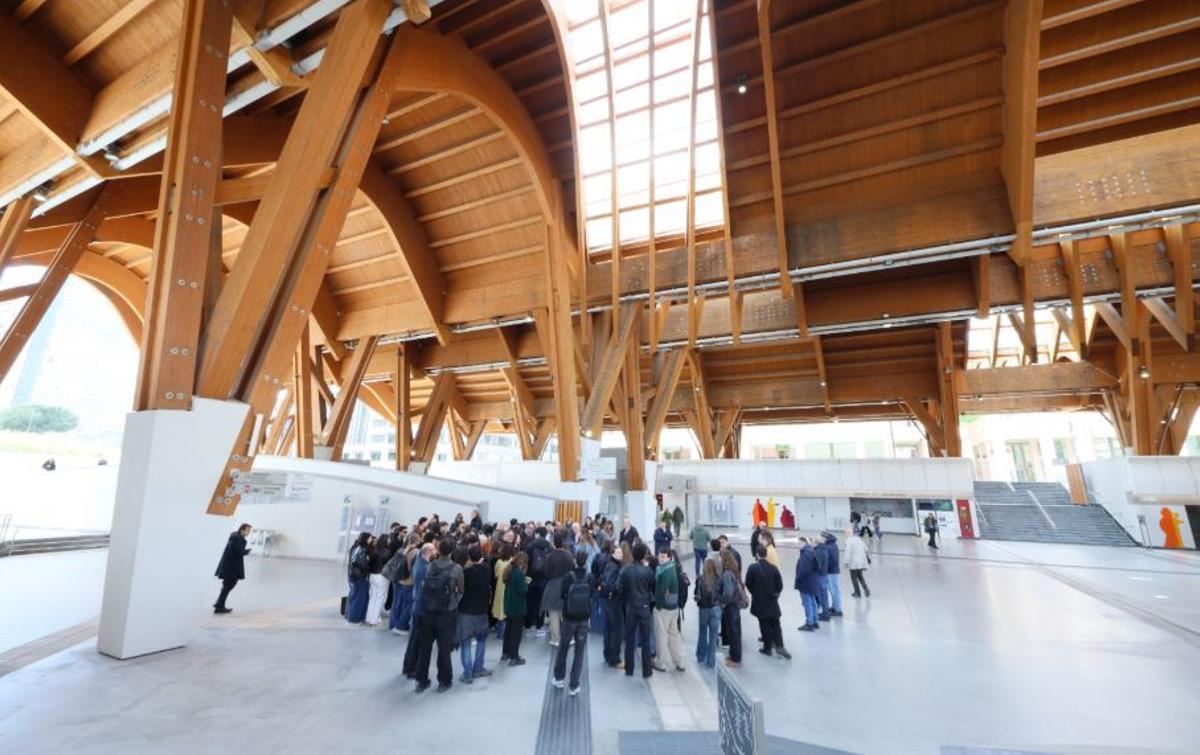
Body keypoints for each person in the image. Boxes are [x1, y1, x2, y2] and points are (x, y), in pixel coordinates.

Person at [415, 538, 464, 693]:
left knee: (425, 647)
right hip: (446, 613)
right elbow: (460, 591)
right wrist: (452, 603)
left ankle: (421, 680)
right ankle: (444, 680)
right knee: (444, 648)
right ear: (451, 551)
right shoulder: (456, 568)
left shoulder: (431, 565)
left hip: (428, 611)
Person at [552, 551, 595, 695]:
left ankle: (559, 678)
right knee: (580, 651)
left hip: (569, 618)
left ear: (575, 561)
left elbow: (562, 594)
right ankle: (574, 684)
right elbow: (592, 594)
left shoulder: (568, 577)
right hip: (584, 618)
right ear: (586, 562)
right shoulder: (590, 577)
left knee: (563, 647)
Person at [744, 546, 790, 659]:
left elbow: (748, 583)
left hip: (759, 601)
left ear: (757, 555)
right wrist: (775, 594)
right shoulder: (774, 568)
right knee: (776, 623)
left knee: (764, 624)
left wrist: (755, 592)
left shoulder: (752, 568)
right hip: (772, 601)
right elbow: (780, 585)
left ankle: (767, 648)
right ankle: (780, 645)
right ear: (766, 554)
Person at [458, 545, 492, 684]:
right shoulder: (486, 570)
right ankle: (478, 668)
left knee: (465, 642)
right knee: (481, 640)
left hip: (466, 611)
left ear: (469, 558)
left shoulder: (465, 572)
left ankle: (467, 674)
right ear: (481, 557)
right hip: (482, 610)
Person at [621, 542, 655, 678]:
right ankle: (647, 671)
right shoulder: (647, 571)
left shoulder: (626, 570)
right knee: (645, 640)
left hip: (630, 607)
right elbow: (652, 586)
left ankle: (629, 669)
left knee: (630, 639)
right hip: (644, 606)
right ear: (643, 555)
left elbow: (622, 587)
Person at [402, 543, 435, 678]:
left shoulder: (419, 562)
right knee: (418, 641)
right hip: (421, 609)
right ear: (428, 552)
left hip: (417, 606)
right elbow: (424, 591)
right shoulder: (424, 569)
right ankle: (412, 670)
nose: (436, 552)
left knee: (413, 640)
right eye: (434, 550)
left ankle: (408, 667)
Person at [652, 548, 686, 672]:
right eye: (659, 556)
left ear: (669, 557)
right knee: (674, 635)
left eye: (663, 557)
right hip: (674, 608)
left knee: (661, 635)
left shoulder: (665, 571)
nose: (660, 559)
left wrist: (657, 606)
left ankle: (661, 662)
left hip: (664, 609)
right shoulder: (672, 568)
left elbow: (661, 591)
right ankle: (679, 662)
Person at [543, 534, 574, 647]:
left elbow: (546, 572)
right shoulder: (568, 555)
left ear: (554, 543)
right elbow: (572, 570)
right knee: (565, 613)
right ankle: (568, 637)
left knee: (553, 613)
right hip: (566, 585)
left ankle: (555, 639)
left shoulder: (549, 556)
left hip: (552, 585)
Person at [600, 543, 627, 669]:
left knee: (609, 629)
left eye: (621, 552)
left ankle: (607, 654)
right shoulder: (615, 567)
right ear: (613, 554)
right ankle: (615, 659)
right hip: (614, 602)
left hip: (608, 601)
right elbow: (612, 585)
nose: (621, 555)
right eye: (618, 553)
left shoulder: (610, 564)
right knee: (616, 630)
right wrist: (619, 589)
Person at [214, 523, 251, 614]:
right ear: (242, 530)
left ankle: (219, 605)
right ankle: (219, 606)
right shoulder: (237, 538)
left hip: (230, 565)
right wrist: (247, 551)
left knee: (227, 586)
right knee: (228, 585)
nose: (248, 532)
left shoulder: (235, 537)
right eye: (247, 530)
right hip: (231, 566)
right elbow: (239, 552)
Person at [501, 552, 530, 665]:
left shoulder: (509, 570)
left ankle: (506, 652)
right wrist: (526, 584)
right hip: (517, 606)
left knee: (508, 630)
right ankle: (514, 656)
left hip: (509, 605)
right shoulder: (518, 574)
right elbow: (522, 590)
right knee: (516, 632)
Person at [389, 533, 420, 634]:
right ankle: (401, 626)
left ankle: (393, 624)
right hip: (409, 581)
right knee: (408, 605)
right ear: (417, 541)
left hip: (398, 580)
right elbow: (415, 569)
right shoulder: (416, 552)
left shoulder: (401, 550)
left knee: (397, 603)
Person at [694, 557, 722, 669]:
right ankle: (711, 661)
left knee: (702, 633)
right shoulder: (718, 579)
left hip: (703, 610)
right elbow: (721, 593)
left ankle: (701, 657)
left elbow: (696, 593)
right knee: (713, 636)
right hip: (715, 608)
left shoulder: (700, 579)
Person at [718, 549, 744, 667]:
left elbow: (728, 593)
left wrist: (721, 600)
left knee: (733, 633)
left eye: (720, 558)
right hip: (735, 605)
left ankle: (736, 659)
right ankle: (734, 655)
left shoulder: (727, 574)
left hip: (731, 606)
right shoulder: (733, 570)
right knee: (735, 631)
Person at [524, 527, 552, 634]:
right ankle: (539, 626)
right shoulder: (549, 546)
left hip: (531, 578)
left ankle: (528, 624)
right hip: (543, 579)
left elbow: (526, 561)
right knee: (541, 603)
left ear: (538, 534)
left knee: (530, 601)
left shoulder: (530, 545)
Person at [794, 537, 822, 632]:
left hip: (805, 583)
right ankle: (815, 621)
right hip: (812, 582)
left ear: (803, 543)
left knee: (807, 603)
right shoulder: (811, 552)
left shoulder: (805, 554)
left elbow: (803, 570)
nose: (797, 545)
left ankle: (809, 623)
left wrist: (797, 579)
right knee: (813, 601)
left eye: (798, 543)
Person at [345, 532, 372, 624]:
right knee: (358, 598)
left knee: (354, 596)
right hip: (360, 576)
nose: (371, 540)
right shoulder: (362, 550)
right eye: (369, 538)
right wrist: (368, 564)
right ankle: (355, 618)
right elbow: (363, 565)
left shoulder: (357, 548)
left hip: (354, 575)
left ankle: (350, 615)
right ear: (366, 539)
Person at [365, 534, 391, 626]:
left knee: (373, 597)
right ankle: (374, 619)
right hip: (382, 577)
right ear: (385, 541)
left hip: (372, 576)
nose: (389, 541)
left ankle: (369, 618)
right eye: (388, 539)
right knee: (380, 598)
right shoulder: (387, 552)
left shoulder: (374, 551)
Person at [492, 543, 513, 641]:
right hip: (510, 588)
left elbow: (496, 574)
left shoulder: (499, 562)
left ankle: (500, 634)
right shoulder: (513, 561)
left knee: (501, 613)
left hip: (500, 588)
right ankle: (508, 634)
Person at [820, 531, 844, 618]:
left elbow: (832, 560)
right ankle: (834, 607)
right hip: (832, 571)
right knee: (833, 590)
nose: (821, 539)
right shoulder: (832, 545)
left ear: (825, 538)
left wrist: (825, 569)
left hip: (831, 572)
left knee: (834, 591)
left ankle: (838, 610)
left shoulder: (829, 547)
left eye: (822, 538)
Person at [845, 528, 871, 598]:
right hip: (860, 563)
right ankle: (866, 589)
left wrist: (846, 562)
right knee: (860, 576)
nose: (846, 534)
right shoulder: (860, 540)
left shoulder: (849, 541)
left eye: (846, 533)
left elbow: (848, 552)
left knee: (854, 578)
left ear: (850, 533)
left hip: (853, 563)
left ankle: (857, 593)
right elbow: (866, 549)